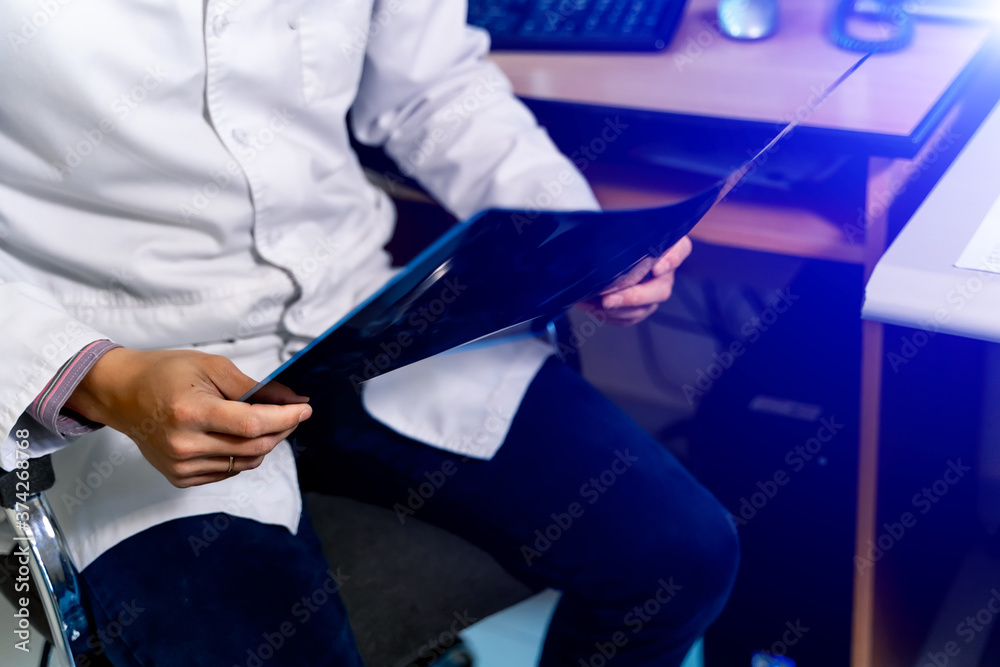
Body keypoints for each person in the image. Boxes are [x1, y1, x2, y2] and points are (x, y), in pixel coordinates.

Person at [0, 0, 738, 664]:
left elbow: (434, 88)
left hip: (351, 308)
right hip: (120, 359)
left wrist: (577, 247)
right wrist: (100, 378)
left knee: (682, 557)